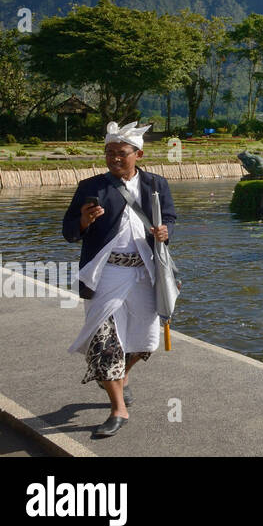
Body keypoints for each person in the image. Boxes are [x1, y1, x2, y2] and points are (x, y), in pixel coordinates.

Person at [61, 121, 175, 439]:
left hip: (144, 272)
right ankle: (118, 408)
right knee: (103, 339)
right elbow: (69, 230)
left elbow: (170, 218)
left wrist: (165, 233)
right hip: (106, 272)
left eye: (121, 154)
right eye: (109, 153)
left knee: (145, 339)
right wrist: (83, 220)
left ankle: (121, 374)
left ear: (138, 153)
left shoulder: (157, 184)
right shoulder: (91, 187)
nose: (114, 159)